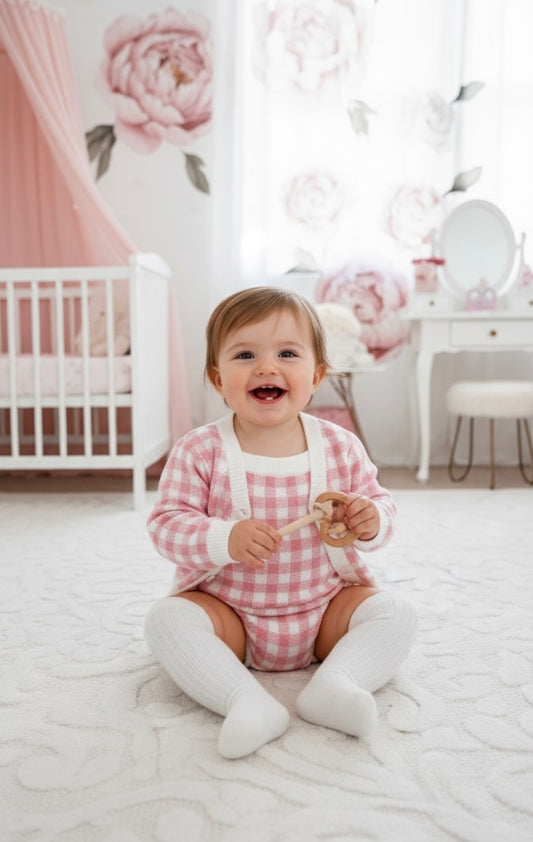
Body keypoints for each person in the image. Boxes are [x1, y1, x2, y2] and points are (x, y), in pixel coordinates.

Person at [145, 287, 418, 759]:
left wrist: (370, 520)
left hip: (326, 610)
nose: (267, 368)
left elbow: (380, 503)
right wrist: (222, 537)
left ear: (315, 375)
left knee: (397, 612)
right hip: (230, 615)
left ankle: (336, 683)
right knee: (166, 620)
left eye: (287, 354)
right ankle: (245, 700)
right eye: (245, 354)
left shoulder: (340, 446)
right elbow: (165, 526)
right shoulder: (199, 450)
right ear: (217, 377)